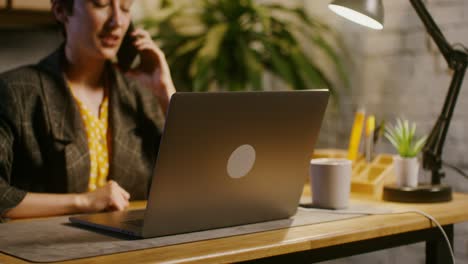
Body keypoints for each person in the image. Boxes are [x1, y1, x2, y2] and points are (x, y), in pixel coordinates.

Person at [0, 0, 176, 220]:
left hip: (132, 248)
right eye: (101, 4)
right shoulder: (15, 92)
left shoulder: (140, 94)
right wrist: (83, 201)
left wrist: (164, 91)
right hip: (47, 249)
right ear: (61, 10)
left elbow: (193, 182)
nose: (117, 21)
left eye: (125, 8)